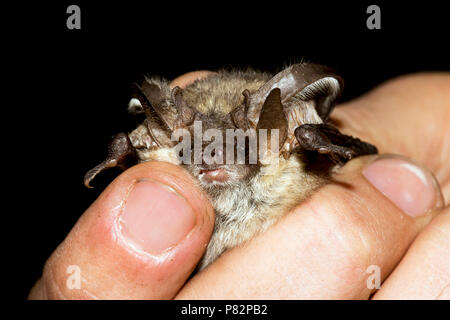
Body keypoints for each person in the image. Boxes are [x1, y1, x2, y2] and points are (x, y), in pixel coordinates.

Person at [28, 71, 450, 299]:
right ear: (160, 140)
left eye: (237, 144)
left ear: (286, 138)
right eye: (195, 146)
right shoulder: (158, 161)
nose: (212, 159)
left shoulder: (299, 148)